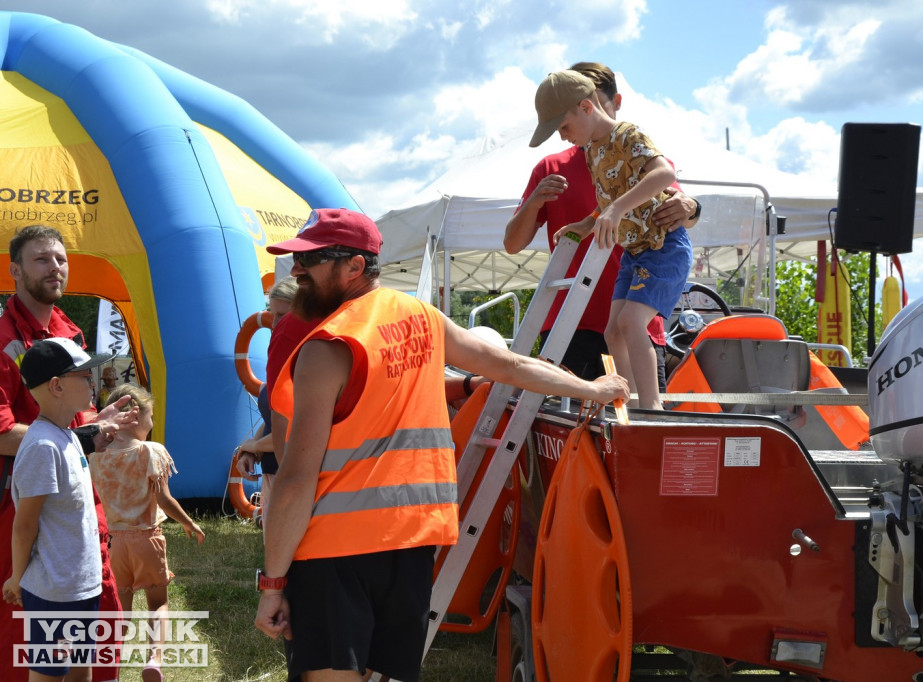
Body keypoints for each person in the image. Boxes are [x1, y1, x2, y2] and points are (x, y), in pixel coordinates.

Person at [252, 208, 629, 681]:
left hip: (335, 552)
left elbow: (296, 477)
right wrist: (591, 388)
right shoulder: (420, 317)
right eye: (297, 260)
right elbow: (508, 365)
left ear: (354, 267)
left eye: (310, 261)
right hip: (411, 543)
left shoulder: (327, 347)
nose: (297, 271)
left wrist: (272, 584)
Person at [506, 62, 700, 387]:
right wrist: (538, 203)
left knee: (639, 408)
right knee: (576, 426)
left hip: (637, 312)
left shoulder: (630, 146)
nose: (566, 136)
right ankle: (637, 404)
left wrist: (693, 207)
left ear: (606, 104)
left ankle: (643, 407)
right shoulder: (555, 166)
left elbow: (675, 201)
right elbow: (512, 244)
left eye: (565, 126)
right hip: (572, 325)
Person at [0, 225, 133, 682]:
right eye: (41, 259)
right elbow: (0, 433)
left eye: (60, 258)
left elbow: (78, 420)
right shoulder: (3, 340)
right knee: (31, 648)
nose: (55, 267)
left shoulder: (68, 332)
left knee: (95, 631)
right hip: (27, 511)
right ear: (15, 270)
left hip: (79, 505)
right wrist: (79, 438)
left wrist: (101, 425)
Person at [1, 337, 112, 682]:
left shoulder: (64, 436)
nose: (92, 381)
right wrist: (18, 578)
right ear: (56, 386)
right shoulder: (42, 446)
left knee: (80, 672)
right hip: (54, 592)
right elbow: (26, 524)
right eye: (83, 374)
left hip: (80, 585)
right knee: (48, 675)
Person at [90, 384, 204, 682]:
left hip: (112, 541)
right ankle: (154, 659)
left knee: (120, 606)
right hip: (147, 538)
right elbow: (165, 499)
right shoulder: (152, 452)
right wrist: (188, 522)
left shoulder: (95, 455)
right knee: (158, 602)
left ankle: (108, 663)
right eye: (151, 416)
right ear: (137, 416)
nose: (152, 424)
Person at [235, 277, 299, 528]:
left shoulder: (310, 358)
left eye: (283, 315)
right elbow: (274, 419)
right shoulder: (280, 355)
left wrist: (253, 445)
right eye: (274, 314)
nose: (276, 323)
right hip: (273, 476)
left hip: (295, 479)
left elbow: (292, 431)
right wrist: (252, 450)